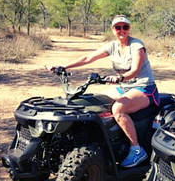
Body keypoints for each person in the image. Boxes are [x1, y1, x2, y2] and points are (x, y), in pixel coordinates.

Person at [51, 15, 159, 168]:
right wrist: (64, 67)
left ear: (129, 29)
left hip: (144, 88)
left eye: (125, 27)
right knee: (94, 101)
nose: (122, 30)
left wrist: (119, 78)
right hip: (124, 87)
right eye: (118, 27)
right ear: (113, 30)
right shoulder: (113, 46)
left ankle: (136, 150)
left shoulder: (136, 46)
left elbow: (135, 70)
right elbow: (88, 57)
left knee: (118, 109)